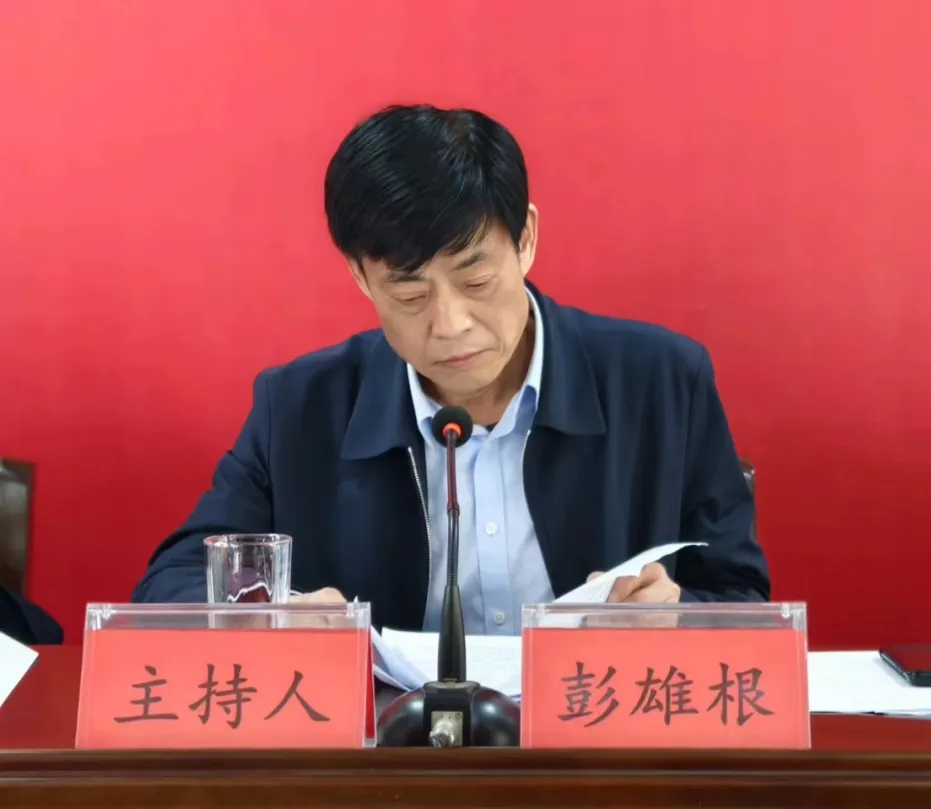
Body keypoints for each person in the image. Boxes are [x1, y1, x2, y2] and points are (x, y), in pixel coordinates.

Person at [132, 104, 769, 634]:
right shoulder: (299, 408)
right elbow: (172, 583)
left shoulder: (662, 383)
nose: (450, 324)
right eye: (410, 294)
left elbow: (743, 600)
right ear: (361, 277)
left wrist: (677, 618)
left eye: (476, 280)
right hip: (388, 743)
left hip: (594, 730)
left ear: (525, 239)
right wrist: (269, 619)